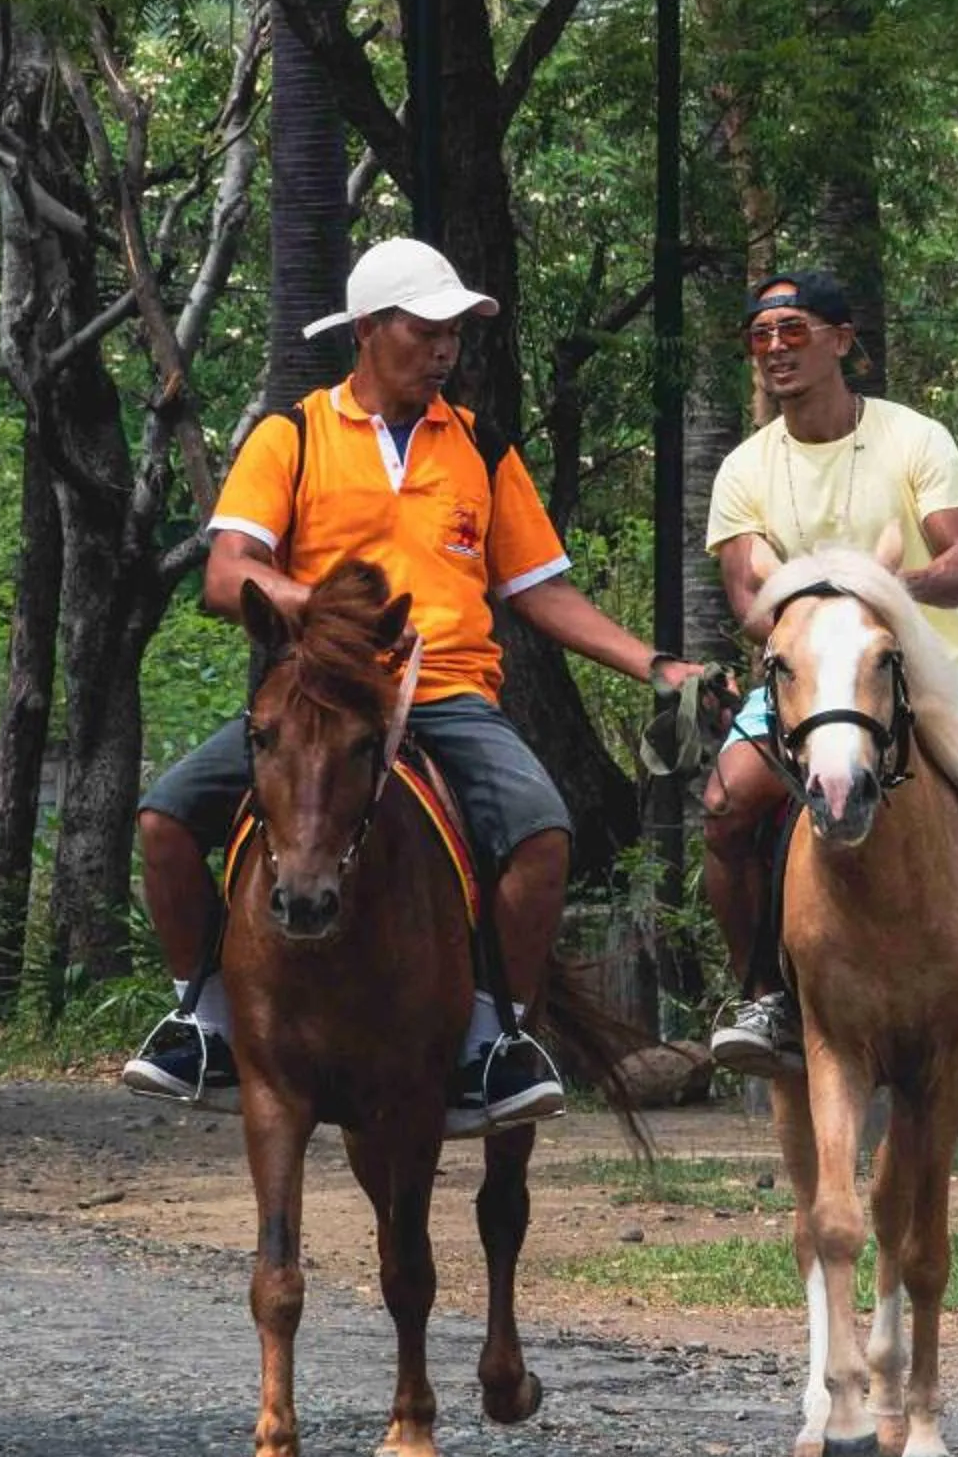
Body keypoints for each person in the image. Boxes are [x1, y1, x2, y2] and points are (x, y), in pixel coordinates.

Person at [123, 238, 706, 1135]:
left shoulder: (480, 445)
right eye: (425, 330)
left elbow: (539, 588)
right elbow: (226, 573)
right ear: (367, 331)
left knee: (544, 831)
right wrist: (331, 614)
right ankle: (205, 1022)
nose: (445, 351)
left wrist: (656, 665)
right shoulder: (294, 436)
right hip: (325, 692)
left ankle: (491, 1037)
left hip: (449, 691)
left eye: (453, 335)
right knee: (164, 820)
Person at [698, 268, 958, 1073]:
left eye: (794, 333)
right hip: (810, 681)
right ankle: (762, 991)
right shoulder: (745, 469)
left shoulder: (913, 437)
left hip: (927, 665)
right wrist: (823, 612)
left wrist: (881, 593)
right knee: (724, 806)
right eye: (761, 338)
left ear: (842, 341)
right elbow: (750, 601)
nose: (776, 351)